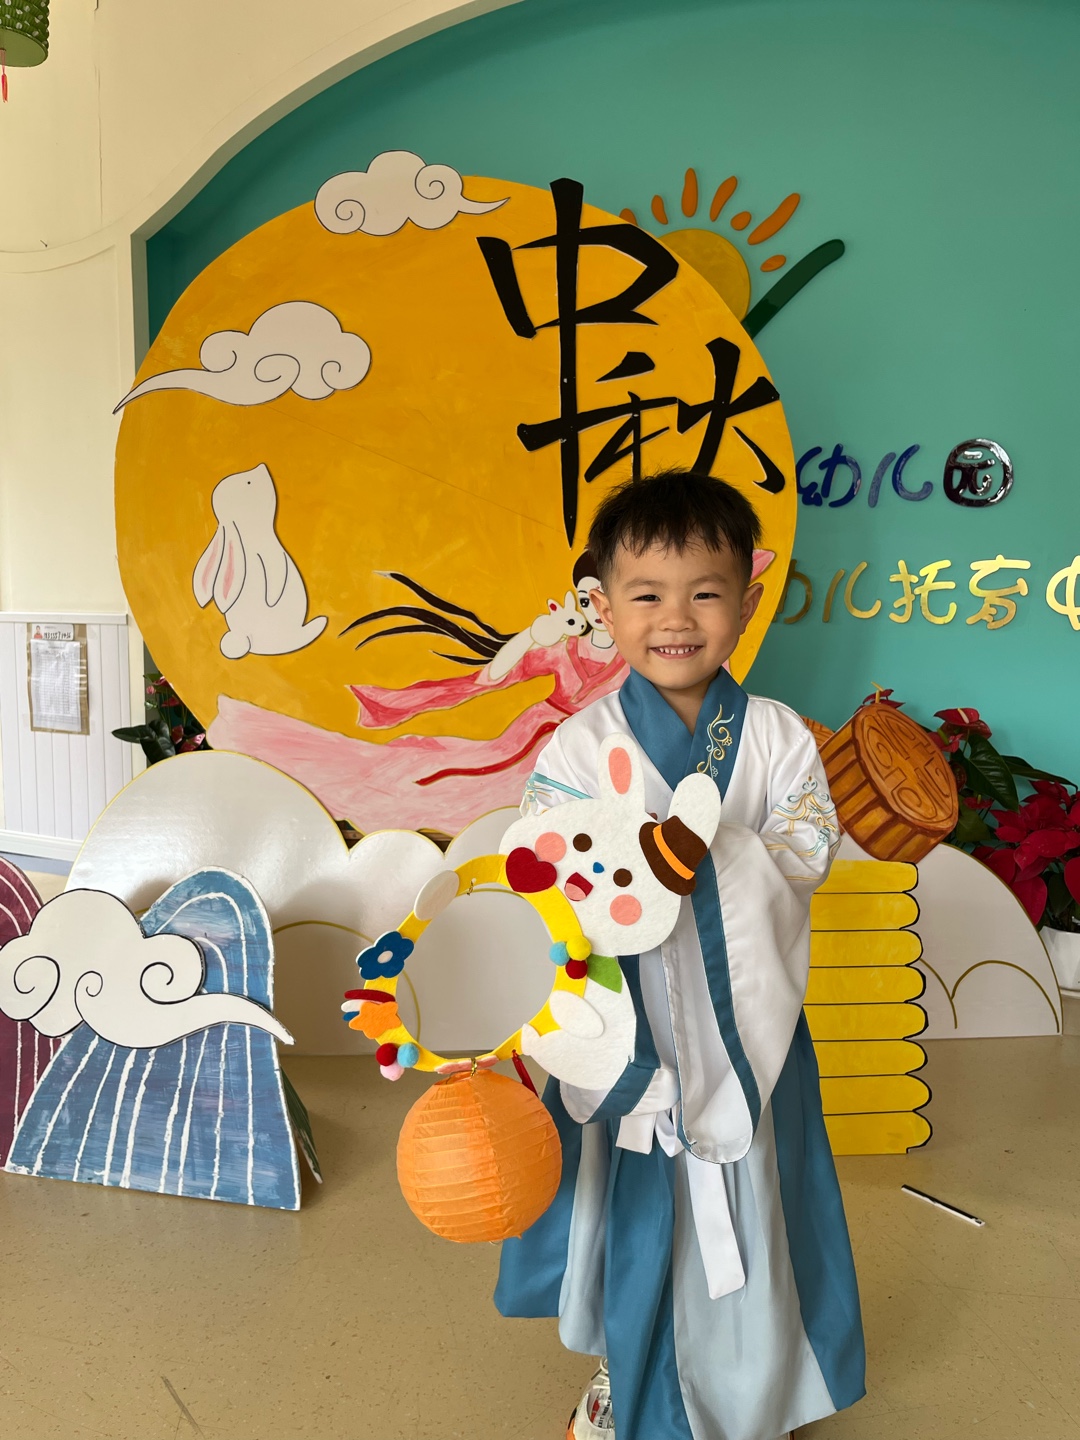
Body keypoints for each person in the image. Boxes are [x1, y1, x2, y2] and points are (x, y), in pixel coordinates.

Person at [494, 470, 865, 1440]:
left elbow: (804, 850)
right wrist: (625, 873)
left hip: (746, 1029)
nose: (675, 619)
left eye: (705, 592)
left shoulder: (778, 738)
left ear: (749, 597)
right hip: (633, 1037)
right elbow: (541, 869)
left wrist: (709, 860)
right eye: (646, 594)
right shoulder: (579, 747)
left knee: (759, 1203)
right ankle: (627, 1374)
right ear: (600, 605)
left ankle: (759, 1388)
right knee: (636, 1209)